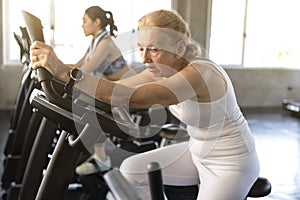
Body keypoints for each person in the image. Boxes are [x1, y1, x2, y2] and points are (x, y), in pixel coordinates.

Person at [30, 9, 260, 200]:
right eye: (141, 48)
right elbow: (118, 88)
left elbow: (130, 98)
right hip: (196, 152)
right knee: (131, 171)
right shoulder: (163, 68)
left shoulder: (201, 73)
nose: (144, 58)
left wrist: (61, 71)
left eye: (154, 49)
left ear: (179, 48)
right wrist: (57, 70)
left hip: (231, 164)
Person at [72, 5, 134, 176]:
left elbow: (86, 70)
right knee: (83, 101)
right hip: (114, 89)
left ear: (96, 22)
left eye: (85, 21)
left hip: (129, 91)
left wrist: (61, 73)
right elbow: (79, 65)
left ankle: (102, 159)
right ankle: (96, 152)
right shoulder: (94, 41)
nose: (82, 25)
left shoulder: (106, 43)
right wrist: (53, 66)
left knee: (90, 106)